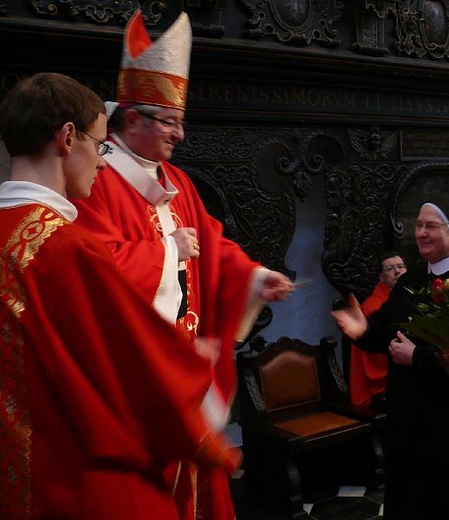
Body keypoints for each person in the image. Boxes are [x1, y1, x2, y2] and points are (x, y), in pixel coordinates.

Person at [71, 10, 293, 520]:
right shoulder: (95, 180)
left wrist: (256, 276)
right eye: (170, 123)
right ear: (132, 119)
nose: (180, 136)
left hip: (185, 365)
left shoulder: (177, 180)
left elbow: (211, 245)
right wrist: (168, 249)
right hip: (137, 373)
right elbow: (92, 268)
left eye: (180, 124)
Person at [0, 72, 241, 519]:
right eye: (98, 142)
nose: (103, 162)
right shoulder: (65, 247)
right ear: (68, 138)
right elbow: (134, 365)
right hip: (68, 476)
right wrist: (195, 378)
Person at [332, 193, 449, 519]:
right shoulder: (411, 279)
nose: (420, 232)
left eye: (430, 226)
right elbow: (386, 331)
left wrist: (418, 357)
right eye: (418, 224)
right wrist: (361, 329)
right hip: (409, 430)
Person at [349, 251, 407, 408]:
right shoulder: (372, 307)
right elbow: (376, 350)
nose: (397, 271)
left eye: (400, 266)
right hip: (385, 381)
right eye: (390, 268)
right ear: (381, 277)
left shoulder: (409, 296)